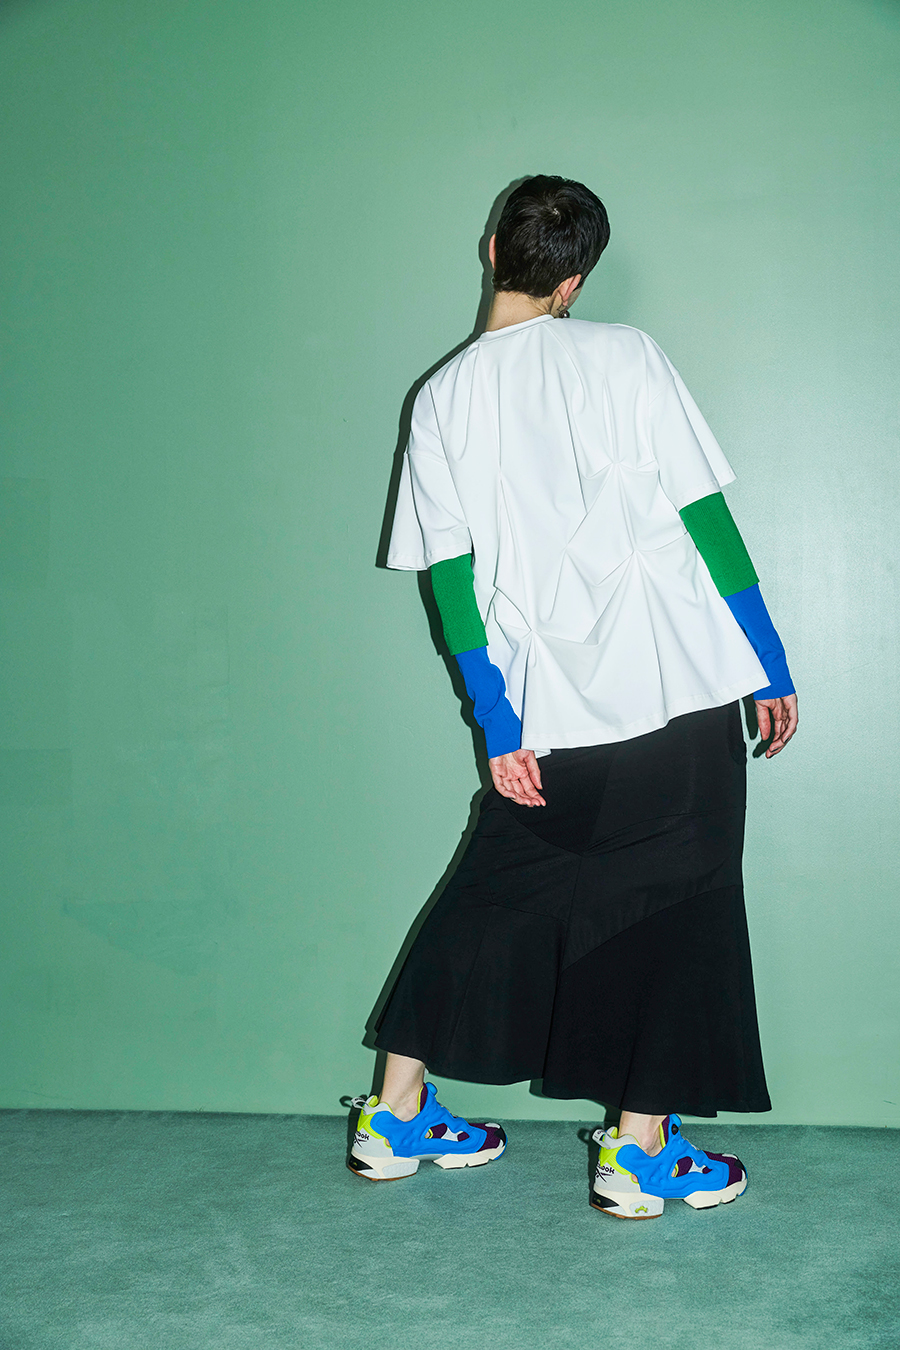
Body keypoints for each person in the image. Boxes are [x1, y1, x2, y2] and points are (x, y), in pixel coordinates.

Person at [348, 176, 798, 1219]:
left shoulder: (441, 398)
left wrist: (496, 722)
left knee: (492, 895)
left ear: (491, 249)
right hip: (679, 685)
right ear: (576, 279)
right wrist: (767, 663)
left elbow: (450, 580)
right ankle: (639, 1154)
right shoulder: (628, 355)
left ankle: (394, 1115)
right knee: (683, 905)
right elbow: (705, 519)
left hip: (542, 707)